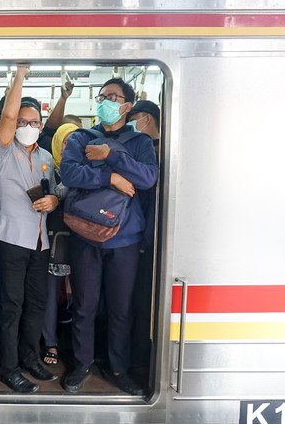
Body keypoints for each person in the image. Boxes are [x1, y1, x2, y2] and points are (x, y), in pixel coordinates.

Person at [60, 78, 158, 394]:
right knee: (85, 305)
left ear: (127, 106)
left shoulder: (139, 143)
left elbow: (147, 178)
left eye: (113, 97)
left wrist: (110, 155)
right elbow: (71, 173)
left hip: (125, 238)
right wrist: (111, 177)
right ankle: (81, 365)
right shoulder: (79, 137)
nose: (106, 101)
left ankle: (117, 367)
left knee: (120, 308)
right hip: (85, 234)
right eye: (102, 96)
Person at [0, 65, 59, 393]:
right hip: (11, 240)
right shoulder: (2, 152)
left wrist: (54, 202)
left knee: (36, 304)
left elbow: (57, 191)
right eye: (22, 121)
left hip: (40, 243)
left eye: (33, 123)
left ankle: (31, 357)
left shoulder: (45, 155)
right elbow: (6, 117)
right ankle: (10, 366)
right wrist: (19, 76)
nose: (26, 126)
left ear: (41, 126)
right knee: (11, 305)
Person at [126, 100, 161, 392]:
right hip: (145, 238)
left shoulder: (153, 152)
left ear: (146, 120)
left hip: (148, 241)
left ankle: (137, 361)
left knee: (141, 304)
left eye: (132, 118)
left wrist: (145, 240)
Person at [41, 122, 79, 366]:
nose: (71, 146)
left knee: (82, 296)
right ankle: (50, 343)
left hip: (85, 242)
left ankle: (77, 344)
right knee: (51, 294)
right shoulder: (46, 169)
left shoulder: (91, 169)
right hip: (56, 240)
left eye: (77, 141)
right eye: (66, 141)